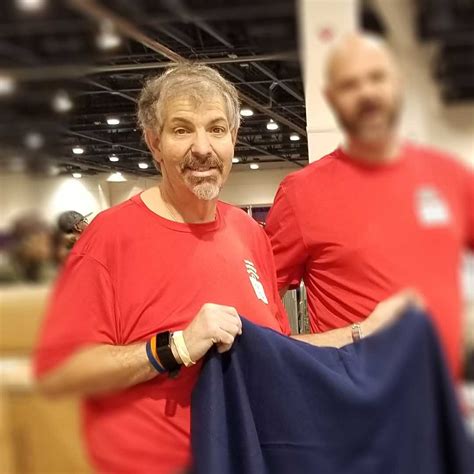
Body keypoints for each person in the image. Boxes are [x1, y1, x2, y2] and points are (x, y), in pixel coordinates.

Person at [34, 64, 419, 474]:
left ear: (233, 138)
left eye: (216, 129)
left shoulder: (248, 233)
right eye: (182, 130)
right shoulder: (110, 236)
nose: (202, 148)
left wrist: (364, 331)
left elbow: (276, 350)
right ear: (154, 142)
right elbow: (62, 371)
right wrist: (175, 348)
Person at [265, 33, 474, 380]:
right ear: (331, 97)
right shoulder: (301, 193)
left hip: (444, 393)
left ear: (398, 84)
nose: (366, 93)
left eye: (377, 78)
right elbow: (259, 304)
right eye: (350, 84)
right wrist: (303, 357)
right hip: (358, 398)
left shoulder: (448, 175)